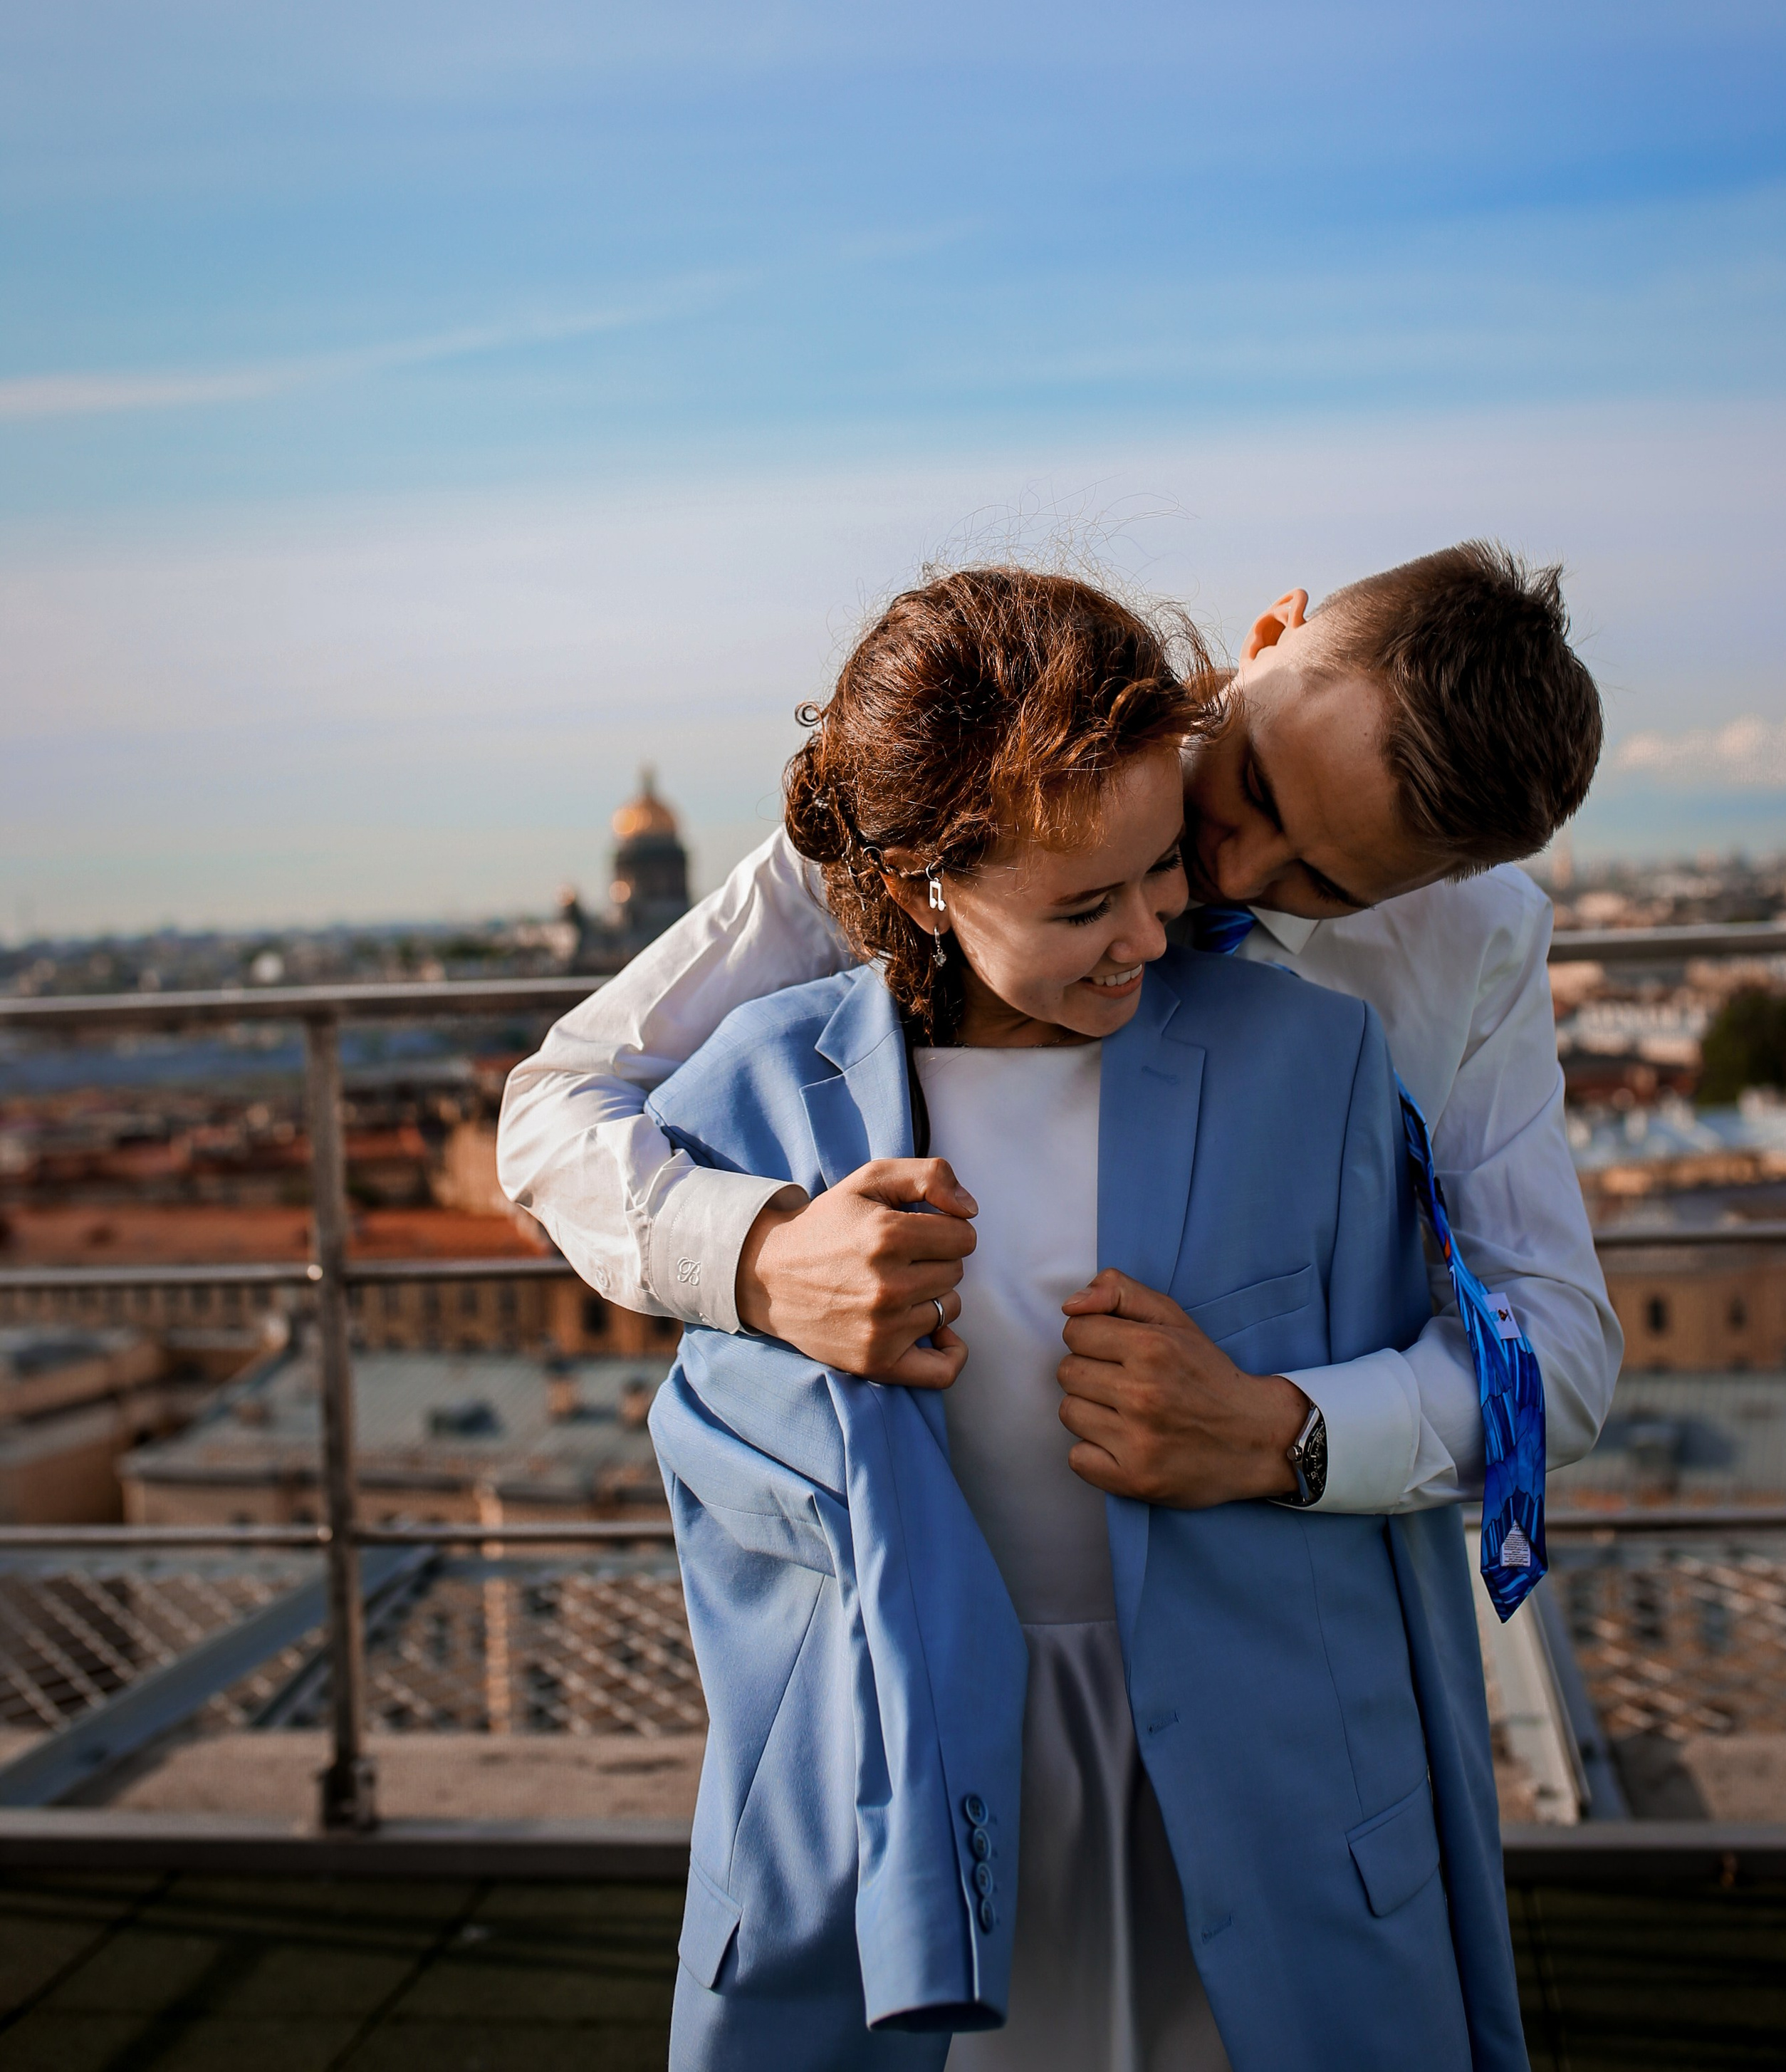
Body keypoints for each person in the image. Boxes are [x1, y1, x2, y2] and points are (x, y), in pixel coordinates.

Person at [642, 568, 1527, 2071]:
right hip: (902, 1799)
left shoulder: (1318, 1065)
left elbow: (1501, 1411)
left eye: (1158, 871)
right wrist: (755, 1263)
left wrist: (1279, 1434)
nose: (1161, 929)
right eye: (1081, 904)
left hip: (1257, 1797)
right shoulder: (747, 1098)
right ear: (926, 881)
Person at [500, 542, 1621, 1524]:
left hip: (1270, 1627)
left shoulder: (1474, 940)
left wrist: (1283, 1434)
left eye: (1325, 885)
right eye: (1262, 789)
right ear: (1269, 638)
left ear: (1447, 883)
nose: (1228, 873)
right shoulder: (942, 812)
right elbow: (556, 1111)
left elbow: (1558, 1351)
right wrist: (761, 1258)